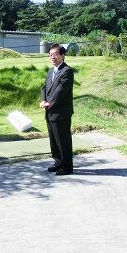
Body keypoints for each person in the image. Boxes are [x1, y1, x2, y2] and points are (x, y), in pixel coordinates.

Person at [40, 44, 74, 176]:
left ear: (62, 55)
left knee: (63, 141)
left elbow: (61, 91)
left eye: (55, 54)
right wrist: (43, 100)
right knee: (54, 140)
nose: (52, 57)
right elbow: (44, 87)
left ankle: (67, 167)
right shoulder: (51, 71)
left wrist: (49, 103)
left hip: (61, 113)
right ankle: (58, 162)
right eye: (50, 54)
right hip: (50, 112)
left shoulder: (67, 71)